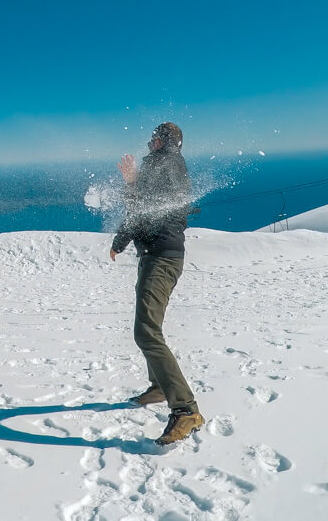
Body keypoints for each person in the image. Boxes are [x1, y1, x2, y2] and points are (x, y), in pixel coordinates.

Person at [110, 122, 204, 445]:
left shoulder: (162, 161)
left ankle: (185, 409)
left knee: (146, 331)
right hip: (158, 255)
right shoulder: (171, 165)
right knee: (149, 326)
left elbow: (140, 210)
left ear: (165, 140)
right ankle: (159, 386)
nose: (149, 140)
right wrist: (134, 182)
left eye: (155, 136)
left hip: (161, 258)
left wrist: (120, 240)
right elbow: (148, 205)